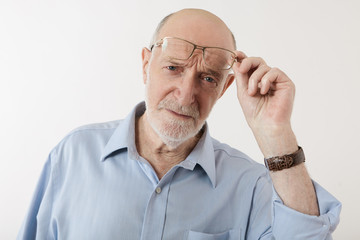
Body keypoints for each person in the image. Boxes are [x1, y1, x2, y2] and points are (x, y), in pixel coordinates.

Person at [18, 8, 341, 240]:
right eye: (173, 67)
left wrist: (276, 134)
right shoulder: (74, 153)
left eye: (208, 77)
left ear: (224, 89)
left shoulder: (250, 184)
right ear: (146, 65)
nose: (187, 95)